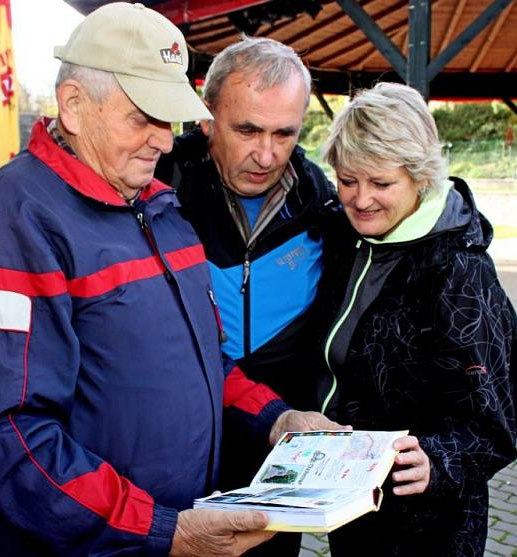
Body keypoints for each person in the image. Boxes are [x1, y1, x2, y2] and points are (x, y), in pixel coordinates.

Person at [0, 4, 337, 556]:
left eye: (168, 120)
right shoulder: (7, 224)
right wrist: (162, 531)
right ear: (74, 106)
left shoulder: (161, 210)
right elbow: (5, 439)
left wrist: (276, 417)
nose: (164, 142)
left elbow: (202, 363)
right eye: (142, 118)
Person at [319, 82, 517, 556]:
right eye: (348, 180)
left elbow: (494, 425)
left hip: (431, 521)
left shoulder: (458, 269)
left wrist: (437, 459)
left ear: (420, 178)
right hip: (355, 497)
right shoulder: (348, 237)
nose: (360, 200)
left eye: (381, 184)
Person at [155, 37, 344, 556]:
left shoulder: (320, 201)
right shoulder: (157, 192)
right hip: (180, 446)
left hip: (277, 447)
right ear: (207, 116)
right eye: (247, 130)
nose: (266, 154)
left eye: (285, 133)